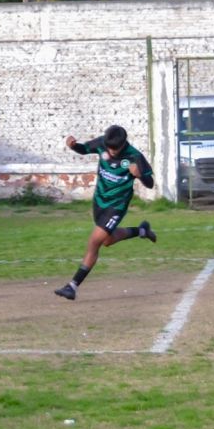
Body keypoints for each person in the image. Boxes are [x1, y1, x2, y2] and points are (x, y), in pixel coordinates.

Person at [54, 125, 157, 301]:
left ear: (124, 143)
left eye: (115, 149)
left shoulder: (134, 156)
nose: (111, 152)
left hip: (116, 206)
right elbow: (84, 149)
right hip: (99, 201)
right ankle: (142, 231)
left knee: (94, 242)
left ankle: (72, 286)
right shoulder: (102, 143)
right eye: (109, 148)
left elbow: (150, 183)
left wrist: (139, 175)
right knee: (107, 241)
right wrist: (73, 145)